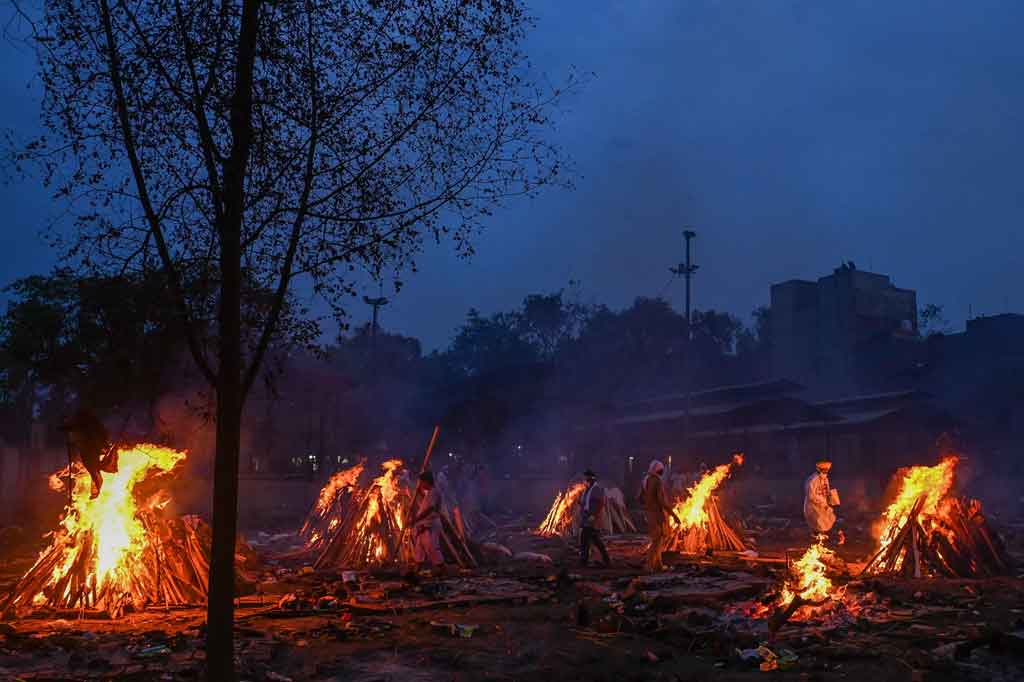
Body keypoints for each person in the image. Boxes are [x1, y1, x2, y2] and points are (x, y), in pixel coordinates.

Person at [58, 407, 118, 499]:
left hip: (90, 449)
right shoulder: (90, 423)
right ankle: (96, 487)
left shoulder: (88, 425)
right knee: (93, 468)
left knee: (92, 467)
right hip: (90, 449)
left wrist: (67, 427)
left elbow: (98, 435)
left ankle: (96, 488)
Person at [641, 460, 680, 572]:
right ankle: (648, 566)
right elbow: (661, 501)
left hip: (649, 513)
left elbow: (639, 497)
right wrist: (673, 515)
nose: (662, 472)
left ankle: (658, 565)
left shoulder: (646, 480)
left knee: (658, 540)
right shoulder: (657, 481)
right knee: (657, 540)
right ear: (658, 470)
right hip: (657, 514)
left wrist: (647, 506)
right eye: (661, 470)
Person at [410, 471, 445, 573]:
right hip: (423, 525)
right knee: (419, 548)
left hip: (431, 524)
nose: (420, 484)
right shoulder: (429, 493)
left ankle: (441, 569)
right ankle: (416, 571)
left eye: (421, 482)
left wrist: (417, 519)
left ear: (426, 482)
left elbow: (430, 508)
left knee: (432, 547)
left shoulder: (434, 492)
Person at [579, 469, 611, 567]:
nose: (584, 481)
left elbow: (601, 503)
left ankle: (585, 561)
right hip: (586, 517)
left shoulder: (597, 489)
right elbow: (585, 503)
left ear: (591, 479)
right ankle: (605, 560)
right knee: (594, 539)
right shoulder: (587, 490)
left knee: (586, 538)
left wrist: (594, 515)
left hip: (592, 518)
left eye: (586, 479)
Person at [804, 459, 839, 542]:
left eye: (826, 472)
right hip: (813, 506)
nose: (825, 474)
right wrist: (821, 503)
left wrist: (832, 499)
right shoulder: (812, 480)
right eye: (824, 472)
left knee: (830, 518)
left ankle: (822, 539)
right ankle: (816, 538)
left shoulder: (826, 479)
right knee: (818, 522)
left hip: (823, 505)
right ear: (819, 471)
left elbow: (827, 490)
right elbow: (811, 496)